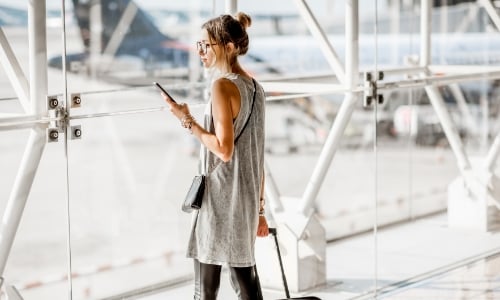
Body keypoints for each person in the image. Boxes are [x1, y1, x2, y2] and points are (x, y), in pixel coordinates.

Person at [161, 12, 269, 300]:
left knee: (206, 289)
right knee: (245, 278)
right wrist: (260, 210)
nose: (200, 51)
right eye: (199, 44)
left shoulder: (222, 86)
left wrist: (187, 120)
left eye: (206, 46)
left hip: (220, 199)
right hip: (245, 199)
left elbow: (224, 149)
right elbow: (257, 155)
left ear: (229, 47)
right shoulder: (257, 89)